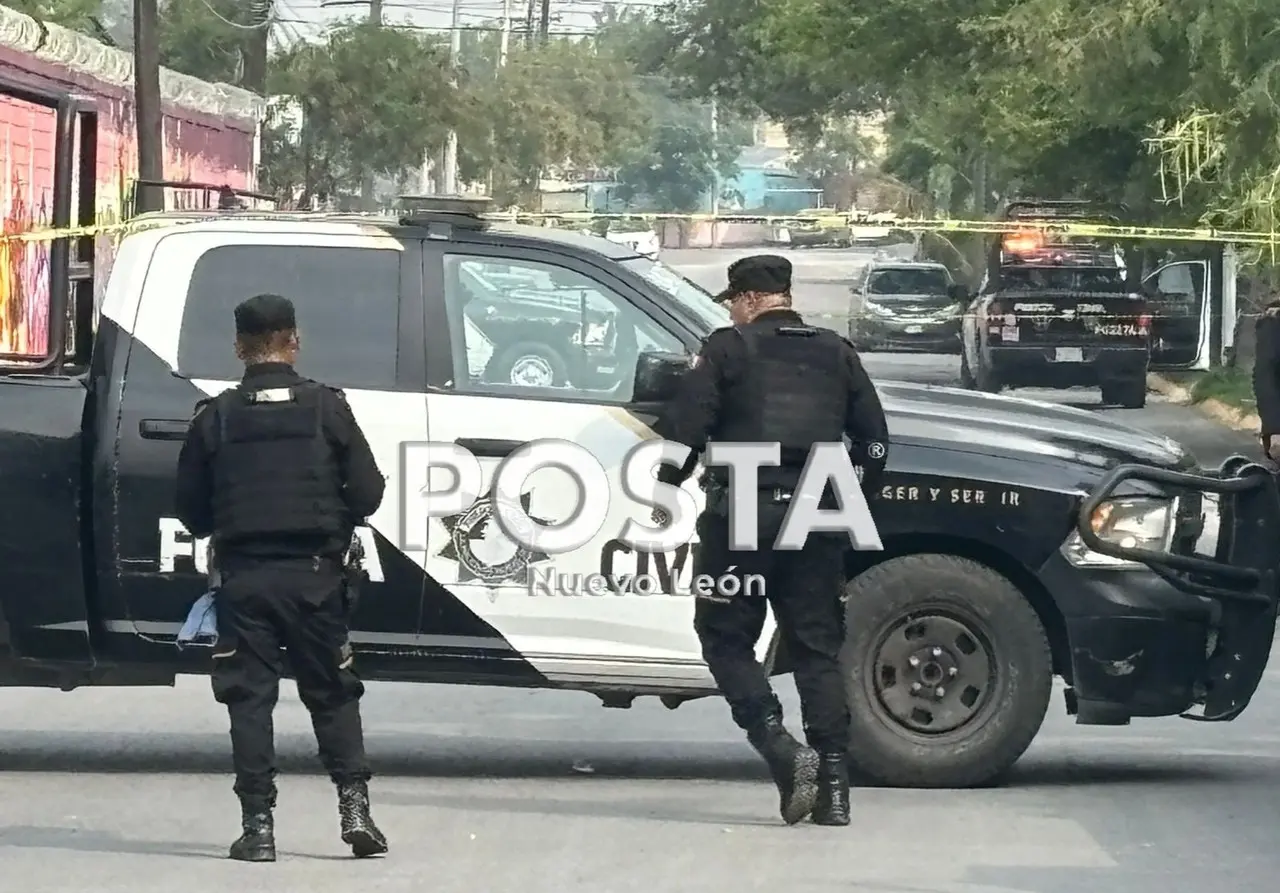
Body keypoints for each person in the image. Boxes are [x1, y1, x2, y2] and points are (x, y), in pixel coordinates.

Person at [653, 254, 889, 827]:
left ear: (752, 299)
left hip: (742, 519)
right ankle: (835, 792)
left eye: (734, 300)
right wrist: (843, 497)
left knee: (725, 636)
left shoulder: (728, 348)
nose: (733, 311)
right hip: (819, 516)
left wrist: (665, 484)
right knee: (816, 649)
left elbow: (686, 433)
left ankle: (779, 746)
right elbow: (875, 443)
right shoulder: (837, 351)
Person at [175, 293, 388, 862]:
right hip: (318, 578)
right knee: (333, 694)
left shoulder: (215, 417)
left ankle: (259, 828)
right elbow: (368, 495)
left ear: (239, 348)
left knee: (249, 699)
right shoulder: (328, 409)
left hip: (245, 581)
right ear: (294, 342)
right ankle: (354, 809)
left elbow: (192, 513)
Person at [1254, 299, 1280, 461]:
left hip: (1265, 376)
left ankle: (1269, 446)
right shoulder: (1267, 327)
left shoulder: (1264, 326)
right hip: (1268, 375)